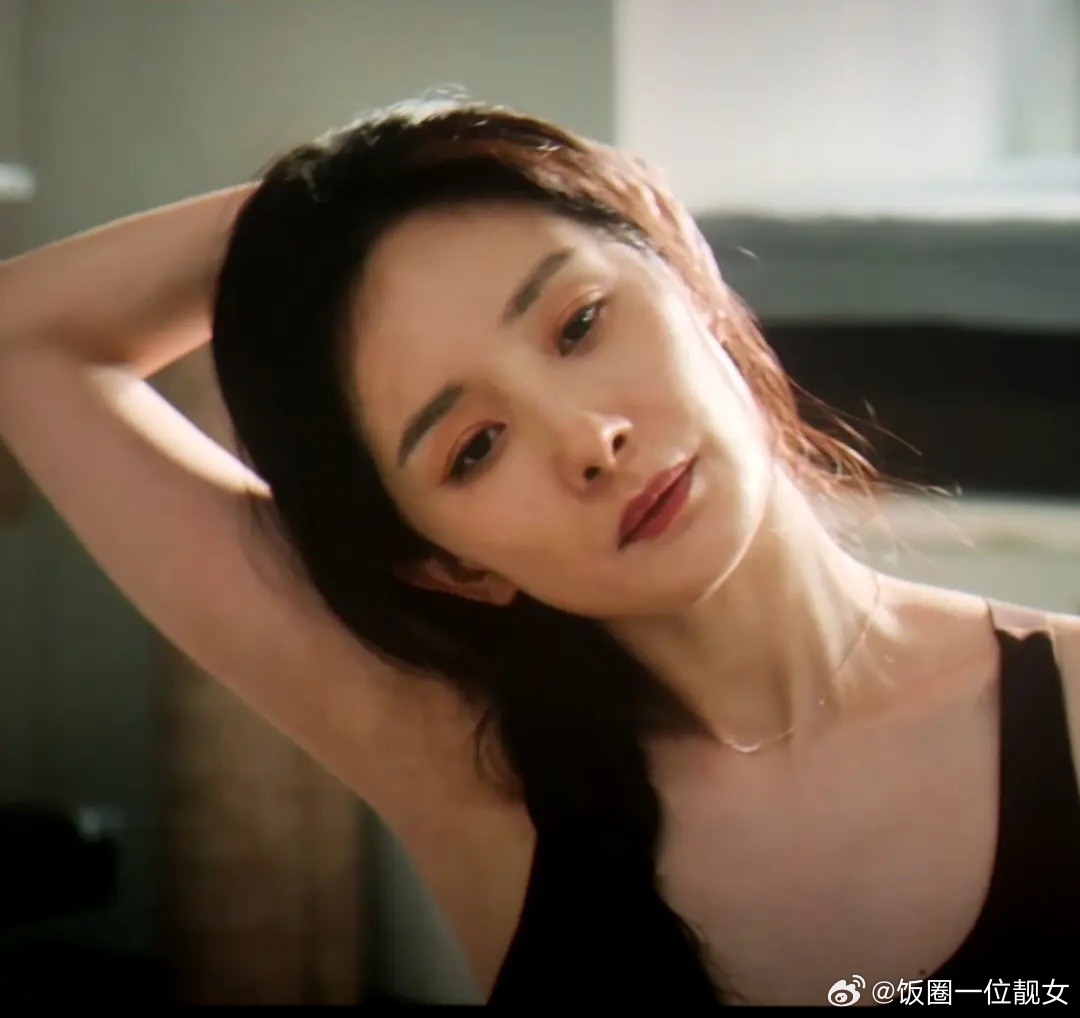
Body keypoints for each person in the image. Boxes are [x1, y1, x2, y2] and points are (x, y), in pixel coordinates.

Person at [0, 98, 1077, 1007]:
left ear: (691, 283)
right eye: (474, 448)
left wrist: (400, 181)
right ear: (449, 565)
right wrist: (321, 212)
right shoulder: (475, 782)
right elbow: (21, 340)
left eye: (579, 324)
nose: (587, 440)